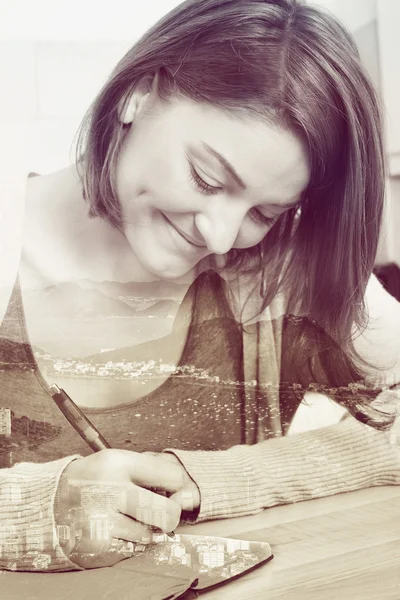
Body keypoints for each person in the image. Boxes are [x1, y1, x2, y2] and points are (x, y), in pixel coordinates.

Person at [0, 0, 400, 573]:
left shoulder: (275, 270)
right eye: (206, 178)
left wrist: (208, 478)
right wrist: (37, 513)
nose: (221, 235)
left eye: (264, 210)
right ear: (142, 92)